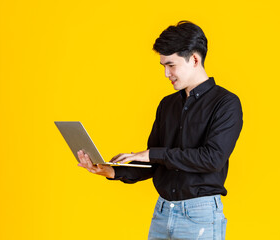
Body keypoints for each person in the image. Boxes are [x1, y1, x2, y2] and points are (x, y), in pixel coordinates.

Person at [77, 20, 243, 240]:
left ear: (194, 59)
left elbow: (212, 159)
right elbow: (156, 164)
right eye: (163, 66)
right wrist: (112, 171)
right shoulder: (167, 105)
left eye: (171, 65)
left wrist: (151, 154)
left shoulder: (226, 103)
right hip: (163, 212)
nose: (166, 73)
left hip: (199, 215)